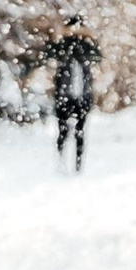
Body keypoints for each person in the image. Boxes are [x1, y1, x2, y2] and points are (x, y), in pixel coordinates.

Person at [43, 17, 100, 173]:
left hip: (80, 96)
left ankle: (77, 165)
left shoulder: (86, 47)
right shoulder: (64, 46)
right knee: (64, 132)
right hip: (66, 96)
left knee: (78, 133)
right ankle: (62, 162)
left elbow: (97, 55)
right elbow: (48, 53)